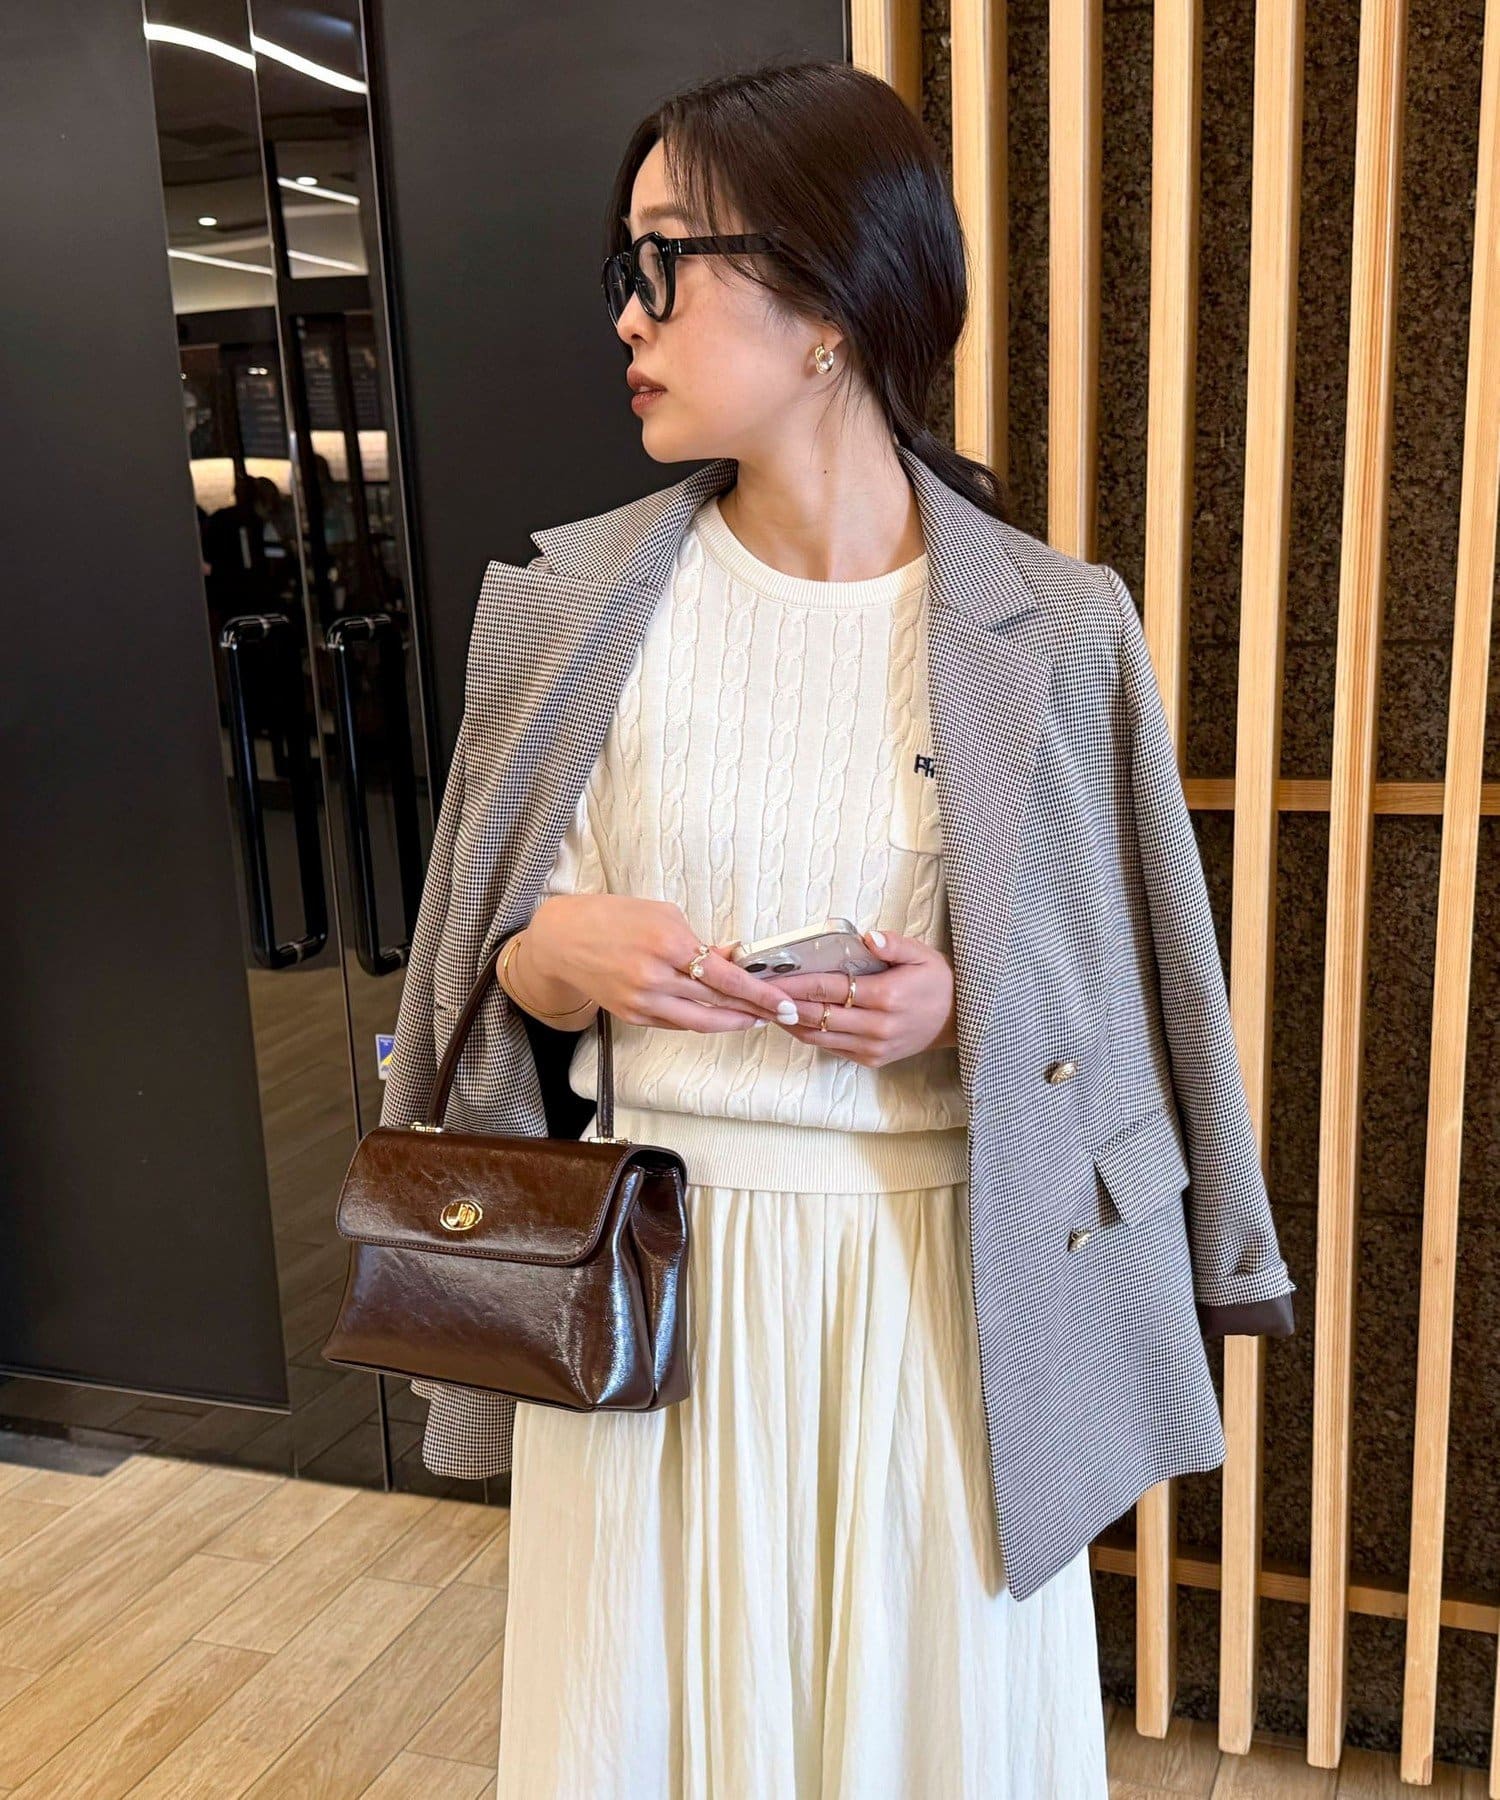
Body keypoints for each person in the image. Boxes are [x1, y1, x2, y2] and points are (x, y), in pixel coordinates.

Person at [379, 55, 1295, 1800]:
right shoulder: (566, 606)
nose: (626, 314)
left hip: (937, 1291)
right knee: (646, 1727)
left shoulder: (1055, 626)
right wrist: (543, 960)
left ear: (826, 305)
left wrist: (965, 1001)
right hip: (648, 1286)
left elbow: (1147, 996)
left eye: (666, 262)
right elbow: (467, 970)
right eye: (622, 269)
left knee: (921, 1736)